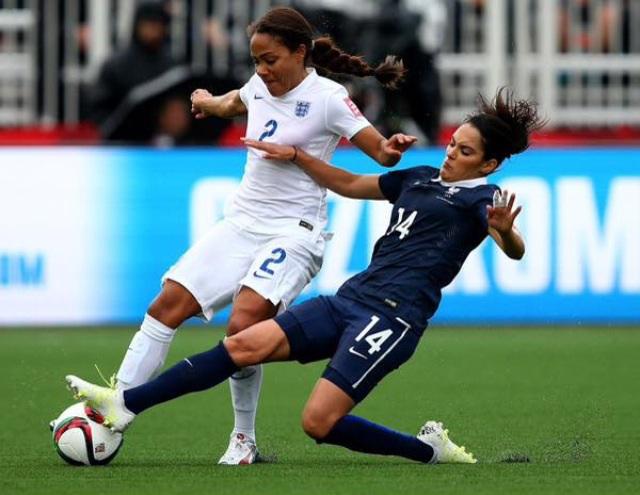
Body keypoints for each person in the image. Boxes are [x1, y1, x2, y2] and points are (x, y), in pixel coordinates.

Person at [66, 88, 545, 465]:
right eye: (453, 143)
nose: (451, 154)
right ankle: (126, 404)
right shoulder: (418, 177)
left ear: (488, 164)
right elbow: (350, 183)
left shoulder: (483, 200)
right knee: (241, 345)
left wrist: (506, 233)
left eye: (464, 151)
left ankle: (427, 451)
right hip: (351, 298)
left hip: (392, 320)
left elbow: (514, 249)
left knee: (318, 422)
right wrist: (298, 157)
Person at [95, 5, 415, 466]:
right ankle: (113, 412)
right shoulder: (259, 85)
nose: (262, 70)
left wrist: (393, 147)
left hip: (295, 232)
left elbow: (380, 152)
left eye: (270, 60)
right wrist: (208, 102)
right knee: (166, 305)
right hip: (241, 222)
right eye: (256, 61)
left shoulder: (328, 97)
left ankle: (243, 438)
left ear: (300, 52)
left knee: (243, 327)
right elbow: (234, 102)